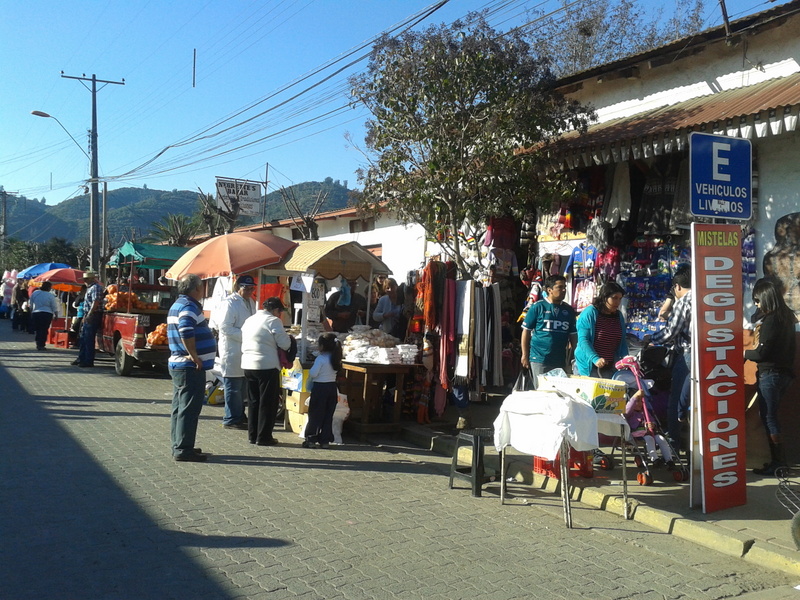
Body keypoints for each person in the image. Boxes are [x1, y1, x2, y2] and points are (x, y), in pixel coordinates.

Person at [745, 277, 797, 475]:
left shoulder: (771, 321)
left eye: (758, 301)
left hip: (771, 374)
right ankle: (778, 462)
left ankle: (779, 462)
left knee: (769, 418)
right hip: (784, 374)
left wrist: (743, 353)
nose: (756, 305)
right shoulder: (785, 317)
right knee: (770, 417)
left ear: (766, 299)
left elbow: (761, 354)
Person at [167, 273, 216, 462]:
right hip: (189, 366)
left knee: (180, 408)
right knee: (189, 408)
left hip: (181, 364)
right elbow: (186, 329)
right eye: (202, 286)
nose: (204, 289)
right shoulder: (188, 306)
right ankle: (183, 448)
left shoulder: (179, 304)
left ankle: (180, 444)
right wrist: (195, 356)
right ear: (196, 288)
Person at [643, 265, 692, 449]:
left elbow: (670, 333)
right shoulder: (704, 299)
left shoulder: (683, 302)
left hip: (688, 356)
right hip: (707, 356)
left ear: (677, 287)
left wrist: (650, 339)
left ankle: (674, 443)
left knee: (677, 402)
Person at [241, 297, 292, 446]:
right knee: (267, 403)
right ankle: (264, 437)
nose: (279, 315)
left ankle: (252, 435)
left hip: (248, 364)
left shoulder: (250, 320)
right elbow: (285, 343)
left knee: (253, 402)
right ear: (276, 310)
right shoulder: (273, 321)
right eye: (280, 312)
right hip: (266, 365)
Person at [216, 275, 257, 430]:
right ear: (238, 287)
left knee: (241, 386)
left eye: (251, 288)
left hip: (245, 349)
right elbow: (225, 328)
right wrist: (247, 335)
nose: (249, 291)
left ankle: (239, 414)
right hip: (232, 349)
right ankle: (231, 418)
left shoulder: (251, 302)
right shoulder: (230, 303)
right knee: (233, 385)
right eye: (246, 288)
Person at [520, 274, 577, 387]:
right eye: (560, 287)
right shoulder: (538, 307)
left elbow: (573, 336)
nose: (564, 290)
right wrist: (525, 355)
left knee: (557, 393)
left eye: (564, 287)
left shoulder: (569, 310)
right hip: (539, 358)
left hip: (559, 360)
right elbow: (526, 331)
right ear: (550, 290)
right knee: (542, 392)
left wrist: (573, 359)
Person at [575, 281, 629, 378]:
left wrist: (626, 358)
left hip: (610, 367)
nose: (617, 302)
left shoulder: (618, 315)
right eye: (614, 298)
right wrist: (595, 359)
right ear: (604, 297)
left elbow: (622, 341)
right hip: (589, 367)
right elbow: (583, 340)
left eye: (620, 299)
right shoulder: (590, 313)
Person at [302, 332, 342, 449]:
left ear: (322, 346)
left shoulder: (321, 359)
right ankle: (325, 440)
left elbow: (314, 373)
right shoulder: (336, 358)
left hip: (320, 388)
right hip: (332, 388)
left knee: (315, 415)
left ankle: (311, 439)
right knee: (328, 415)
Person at [624, 389, 675, 469]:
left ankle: (669, 460)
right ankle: (655, 459)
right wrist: (635, 397)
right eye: (637, 401)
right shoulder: (630, 413)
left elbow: (652, 420)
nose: (640, 404)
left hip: (649, 432)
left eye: (641, 401)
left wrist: (652, 424)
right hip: (637, 434)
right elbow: (628, 408)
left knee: (661, 439)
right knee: (649, 439)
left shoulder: (645, 412)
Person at [73, 270, 104, 368]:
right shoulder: (89, 288)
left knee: (88, 338)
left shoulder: (95, 287)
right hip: (88, 314)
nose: (85, 281)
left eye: (86, 279)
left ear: (92, 279)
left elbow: (96, 301)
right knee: (83, 337)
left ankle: (88, 360)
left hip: (93, 314)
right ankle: (81, 358)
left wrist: (90, 314)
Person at [29, 281, 59, 351]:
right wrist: (56, 314)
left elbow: (31, 302)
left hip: (36, 313)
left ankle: (38, 342)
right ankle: (41, 344)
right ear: (49, 288)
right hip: (47, 313)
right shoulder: (50, 295)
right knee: (44, 329)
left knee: (38, 329)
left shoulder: (35, 293)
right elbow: (54, 306)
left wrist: (31, 311)